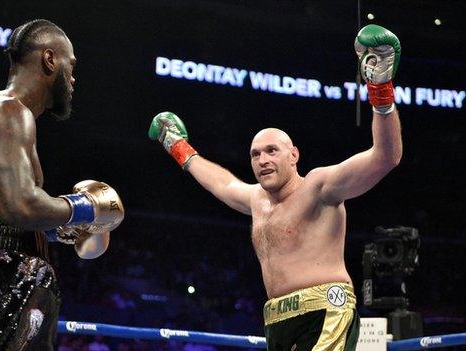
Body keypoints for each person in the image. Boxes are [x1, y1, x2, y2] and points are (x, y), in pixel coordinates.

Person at [149, 24, 402, 350]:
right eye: (255, 154)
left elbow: (386, 157)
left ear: (294, 155)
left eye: (272, 151)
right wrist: (176, 145)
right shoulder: (256, 199)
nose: (263, 160)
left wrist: (380, 87)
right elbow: (221, 183)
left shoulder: (320, 187)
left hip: (326, 309)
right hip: (277, 318)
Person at [0, 19, 124, 350]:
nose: (74, 78)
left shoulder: (15, 119)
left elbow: (5, 211)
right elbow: (19, 206)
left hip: (10, 270)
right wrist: (85, 208)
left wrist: (58, 230)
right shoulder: (7, 110)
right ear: (50, 60)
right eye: (71, 66)